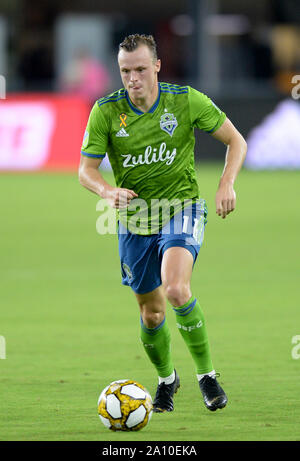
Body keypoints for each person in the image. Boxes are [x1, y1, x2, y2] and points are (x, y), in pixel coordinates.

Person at [79, 34, 247, 413]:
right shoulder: (106, 111)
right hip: (136, 220)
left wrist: (226, 184)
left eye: (140, 69)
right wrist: (107, 192)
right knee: (151, 313)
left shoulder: (186, 100)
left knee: (176, 288)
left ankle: (207, 376)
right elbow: (85, 171)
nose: (132, 78)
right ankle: (167, 380)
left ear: (157, 66)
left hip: (181, 207)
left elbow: (236, 141)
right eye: (125, 71)